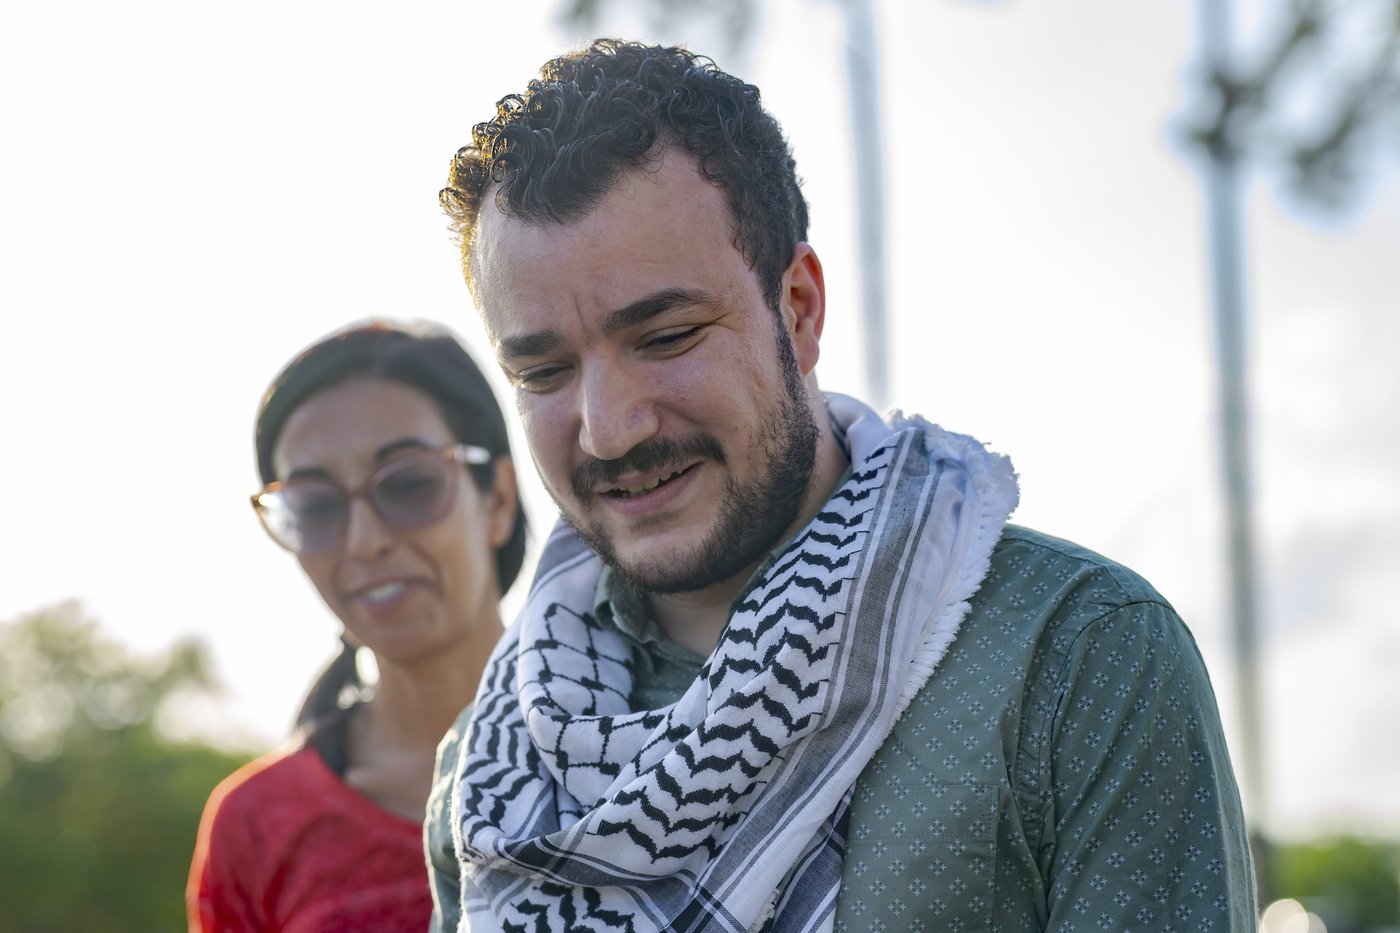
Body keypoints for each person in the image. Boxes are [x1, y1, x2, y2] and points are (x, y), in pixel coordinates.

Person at [427, 39, 1256, 932]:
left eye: (666, 337)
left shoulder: (1073, 656)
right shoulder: (493, 764)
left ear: (800, 307)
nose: (610, 428)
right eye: (544, 370)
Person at [187, 321, 526, 932]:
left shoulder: (650, 745)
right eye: (316, 506)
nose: (364, 541)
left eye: (410, 483)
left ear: (498, 499)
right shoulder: (256, 824)